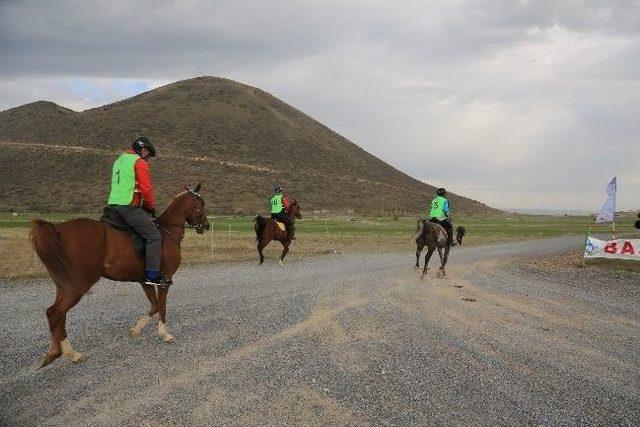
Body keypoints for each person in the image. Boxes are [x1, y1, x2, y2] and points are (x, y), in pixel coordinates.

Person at [107, 137, 163, 285]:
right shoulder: (139, 162)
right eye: (147, 153)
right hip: (129, 206)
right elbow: (146, 189)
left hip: (112, 206)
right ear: (140, 149)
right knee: (154, 236)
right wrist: (151, 207)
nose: (147, 157)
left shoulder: (119, 161)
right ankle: (152, 275)